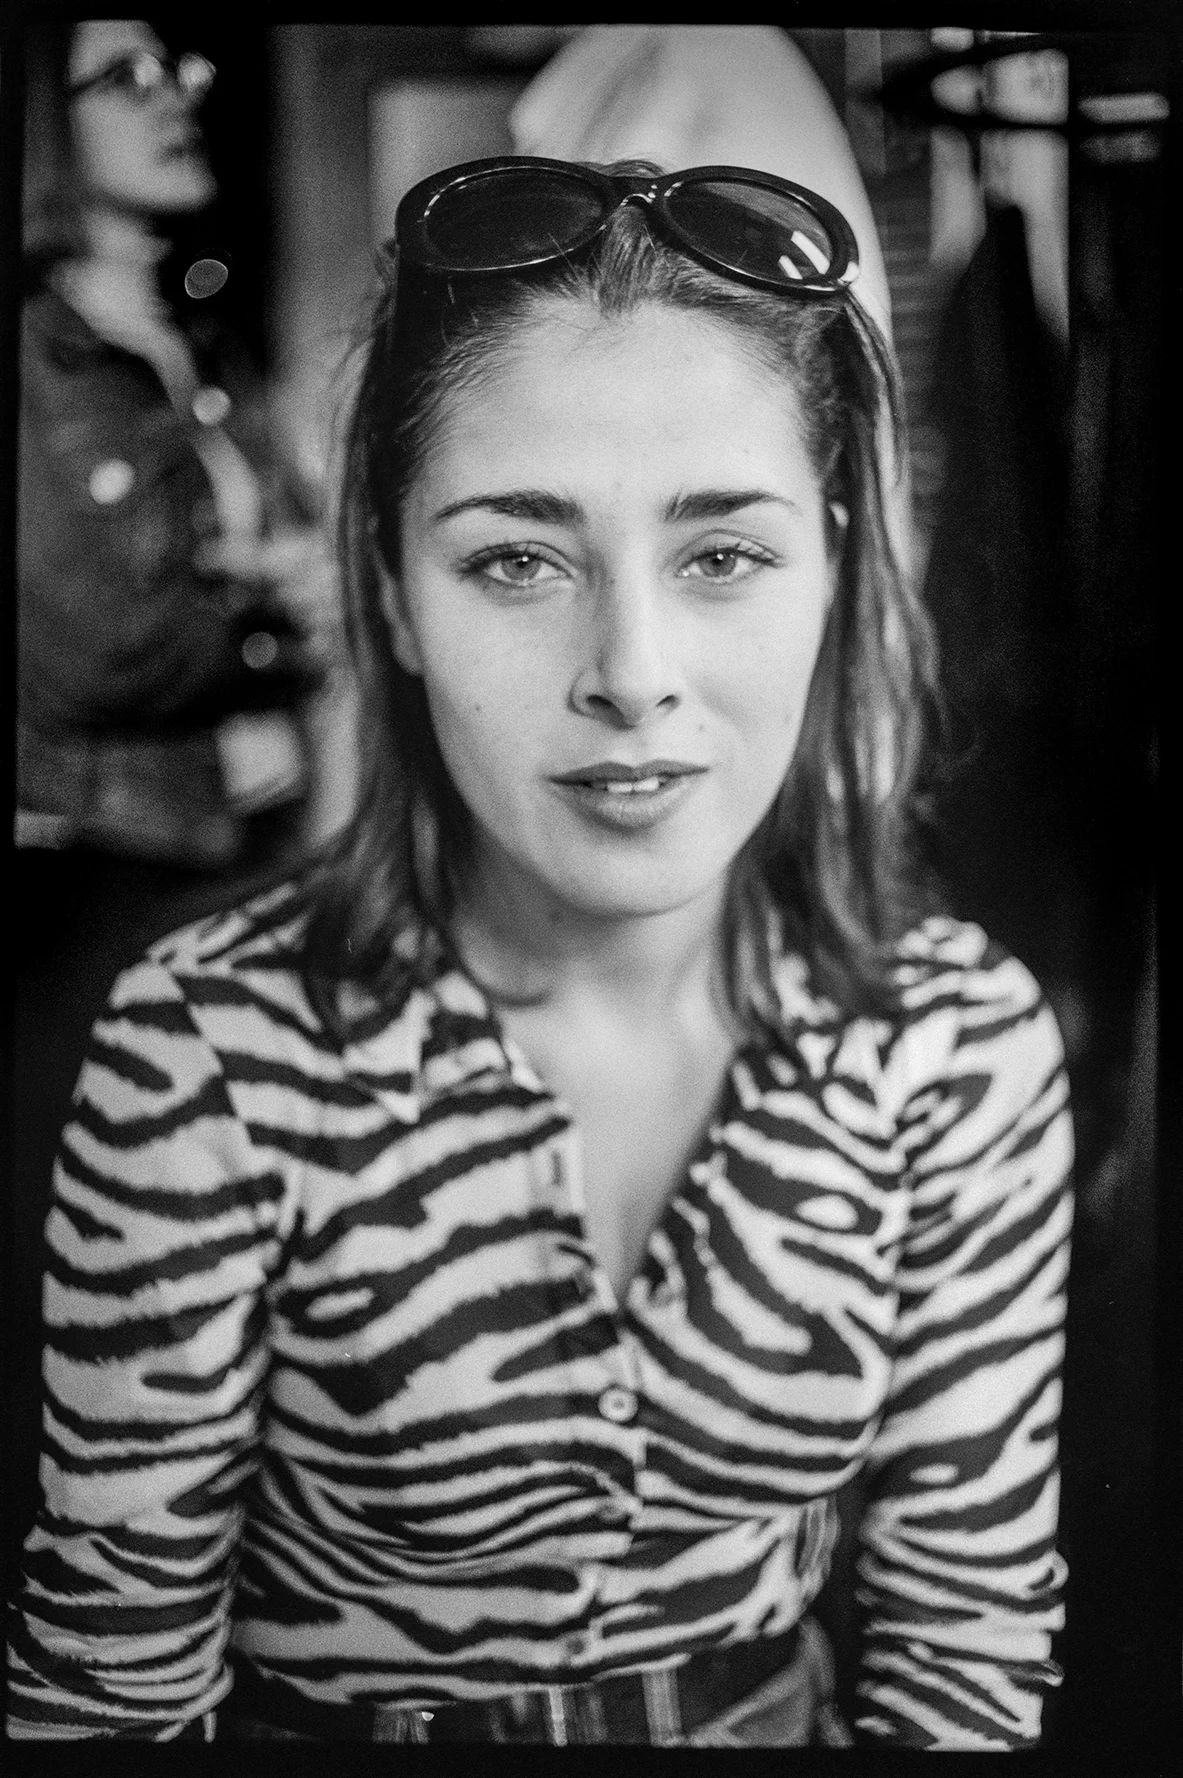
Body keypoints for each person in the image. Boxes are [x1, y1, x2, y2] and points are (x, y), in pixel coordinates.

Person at [7, 154, 1074, 1748]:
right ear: (392, 588)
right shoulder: (209, 1050)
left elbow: (961, 1644)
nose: (631, 673)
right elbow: (110, 1691)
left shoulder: (954, 1042)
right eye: (516, 557)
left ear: (836, 565)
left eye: (722, 553)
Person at [7, 19, 336, 1585]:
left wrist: (295, 588)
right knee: (109, 1276)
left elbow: (309, 544)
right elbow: (84, 649)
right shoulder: (37, 353)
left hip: (234, 845)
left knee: (218, 1269)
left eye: (181, 66)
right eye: (123, 74)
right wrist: (280, 625)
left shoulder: (199, 338)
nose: (180, 91)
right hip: (103, 861)